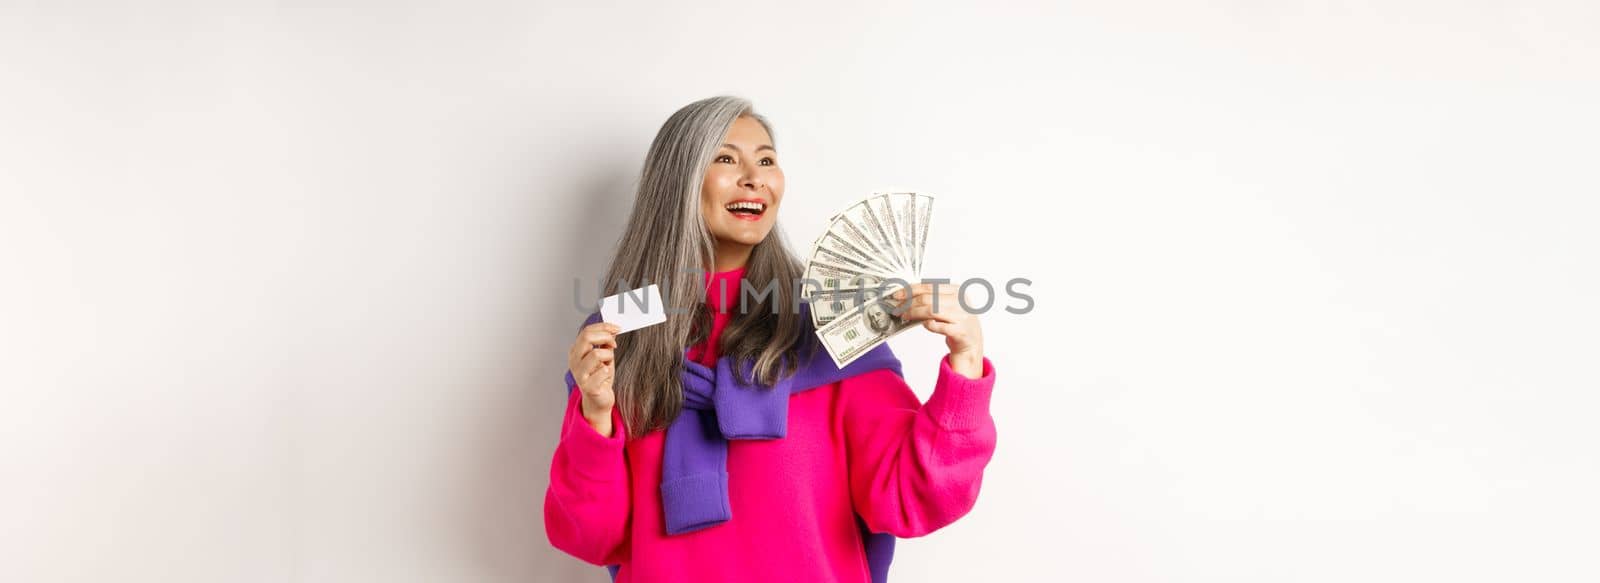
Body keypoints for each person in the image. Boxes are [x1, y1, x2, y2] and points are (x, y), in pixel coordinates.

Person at [545, 95, 998, 583]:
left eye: (766, 160)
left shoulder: (827, 324)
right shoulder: (622, 329)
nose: (754, 177)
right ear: (678, 183)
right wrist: (594, 415)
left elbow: (910, 498)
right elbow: (591, 537)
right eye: (725, 159)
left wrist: (965, 366)